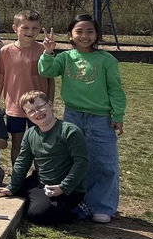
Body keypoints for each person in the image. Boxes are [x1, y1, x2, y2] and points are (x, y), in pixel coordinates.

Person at [39, 14, 126, 223]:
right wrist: (48, 51)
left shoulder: (106, 60)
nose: (84, 36)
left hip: (101, 117)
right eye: (79, 31)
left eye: (90, 31)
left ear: (96, 35)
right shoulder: (66, 57)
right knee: (75, 158)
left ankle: (102, 206)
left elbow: (115, 89)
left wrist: (118, 115)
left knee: (103, 161)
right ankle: (80, 201)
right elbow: (46, 70)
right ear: (70, 35)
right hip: (73, 115)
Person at [0, 91, 90, 225]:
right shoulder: (30, 134)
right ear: (26, 116)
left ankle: (77, 211)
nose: (37, 113)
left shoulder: (70, 131)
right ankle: (39, 199)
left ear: (50, 105)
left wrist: (64, 187)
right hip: (42, 180)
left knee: (36, 215)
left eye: (40, 107)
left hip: (68, 189)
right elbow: (22, 161)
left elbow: (81, 162)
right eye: (31, 111)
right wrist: (12, 187)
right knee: (15, 194)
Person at [0, 9, 54, 165]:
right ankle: (17, 176)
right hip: (15, 107)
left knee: (40, 144)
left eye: (35, 28)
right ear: (15, 28)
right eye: (25, 28)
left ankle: (39, 178)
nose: (30, 32)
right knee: (18, 145)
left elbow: (50, 80)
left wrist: (50, 102)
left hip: (39, 107)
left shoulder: (43, 51)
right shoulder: (5, 51)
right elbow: (0, 77)